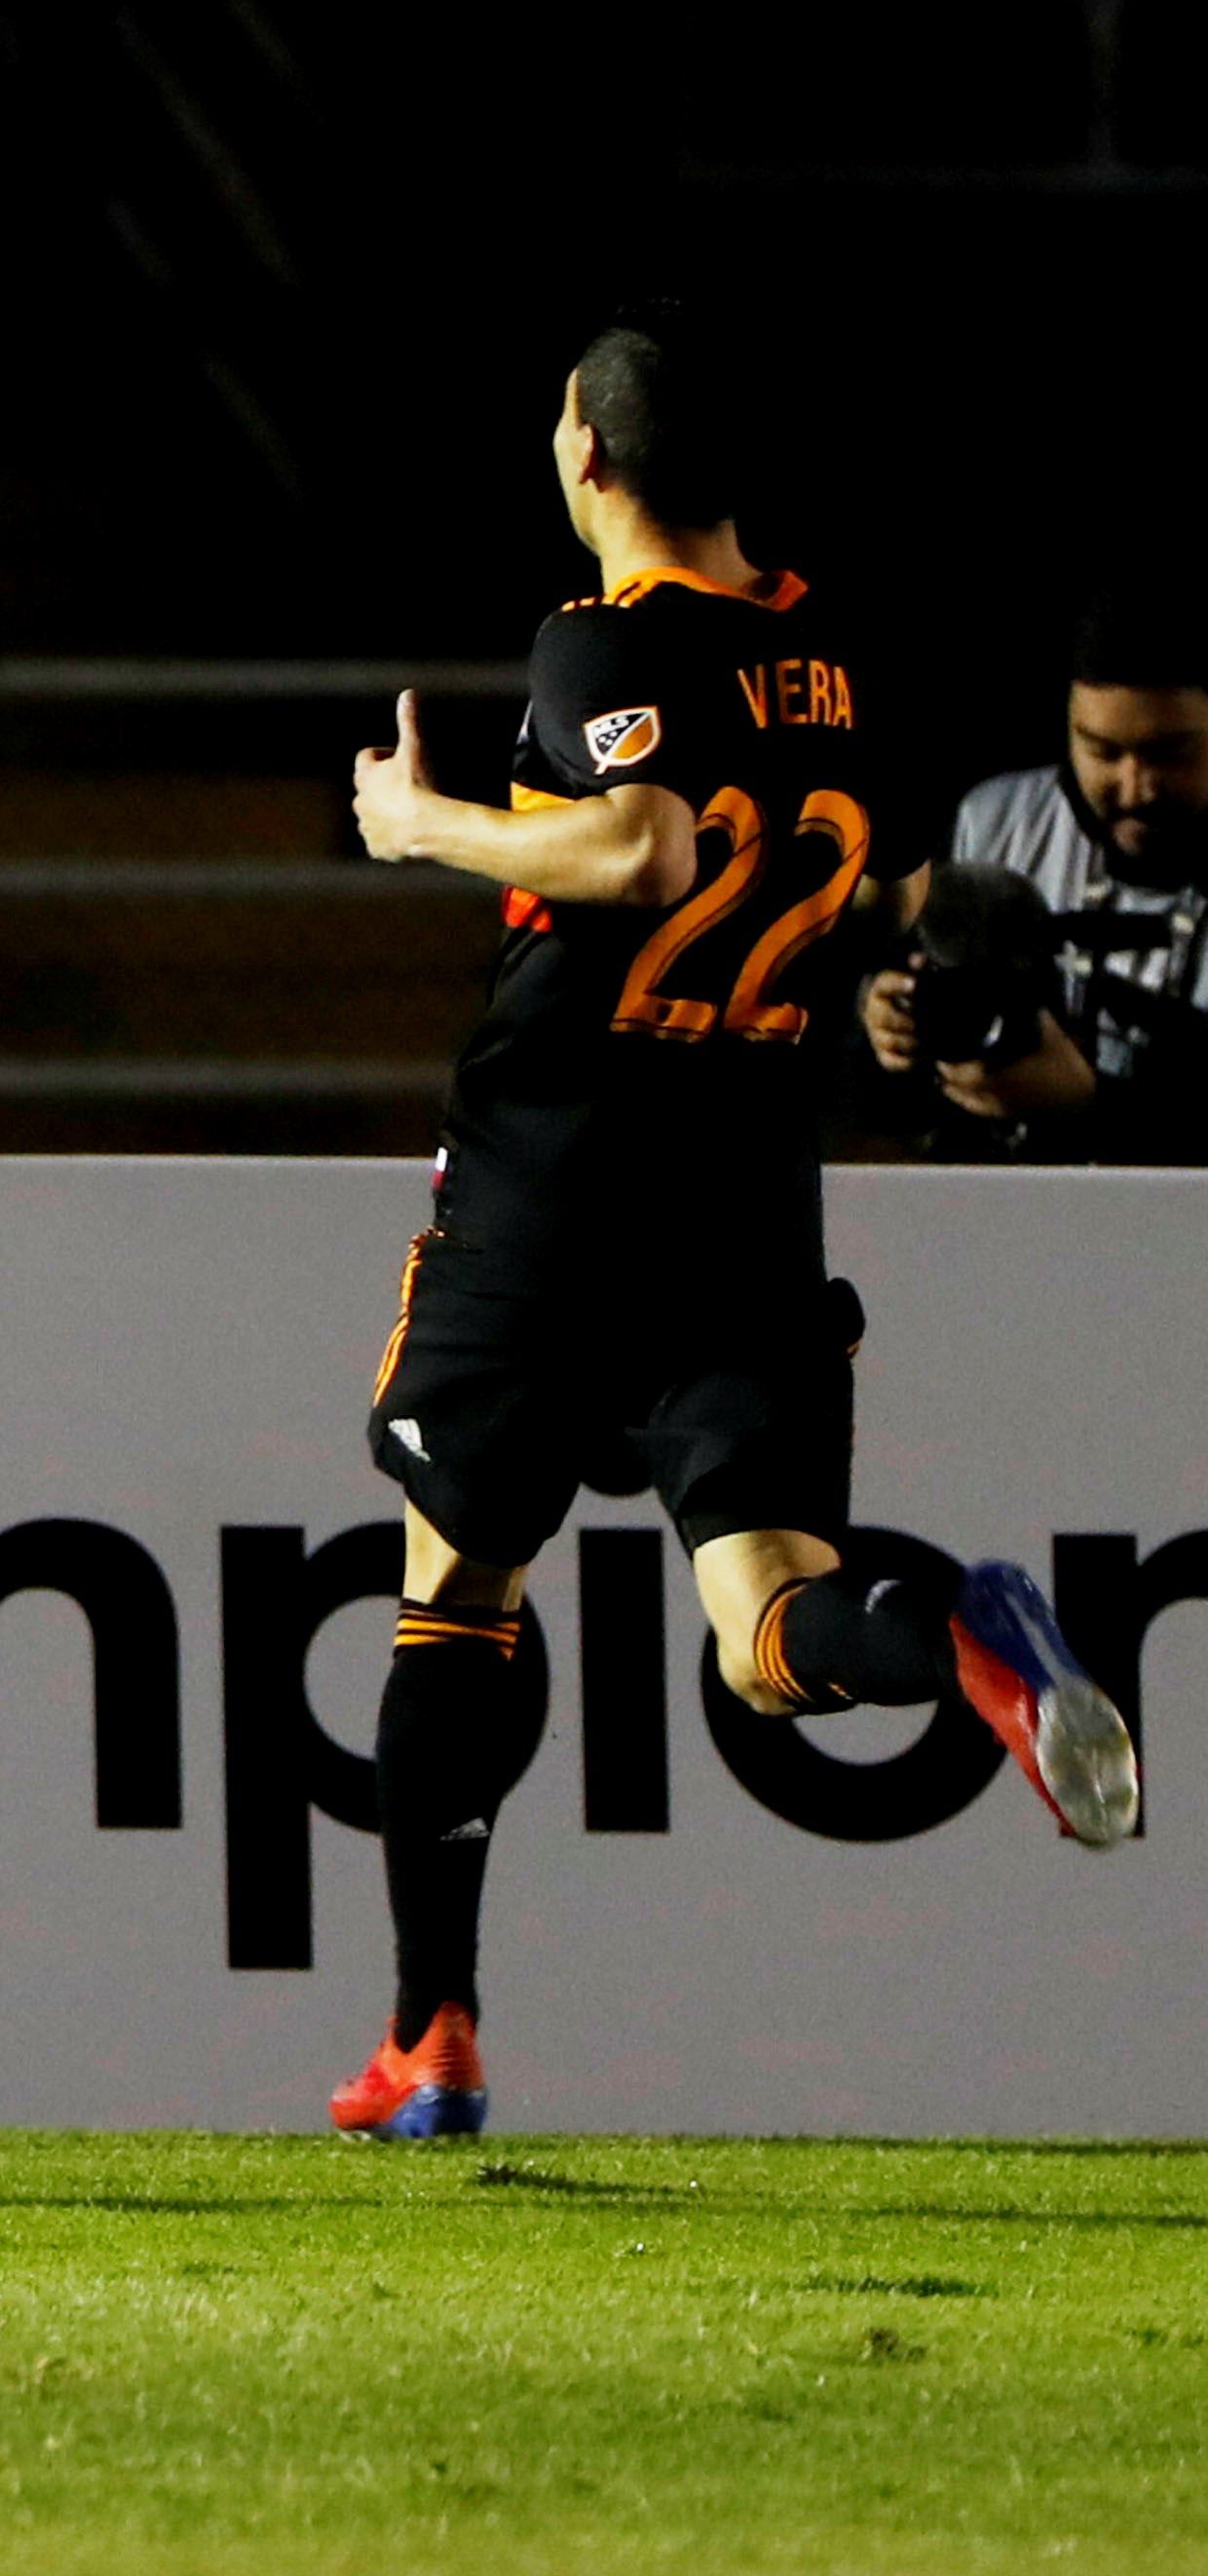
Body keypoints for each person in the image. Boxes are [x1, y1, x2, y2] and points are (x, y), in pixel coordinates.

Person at [334, 307, 1141, 2139]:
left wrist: (422, 820)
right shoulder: (831, 654)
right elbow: (871, 881)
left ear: (589, 462)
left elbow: (639, 850)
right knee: (768, 1636)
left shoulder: (602, 640)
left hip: (557, 1181)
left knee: (455, 1584)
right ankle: (950, 1635)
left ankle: (426, 2038)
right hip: (743, 1189)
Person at [857, 619, 1208, 1162]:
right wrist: (885, 1014)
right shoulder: (997, 823)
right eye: (1103, 751)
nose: (1136, 786)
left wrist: (1097, 1106)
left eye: (1172, 753)